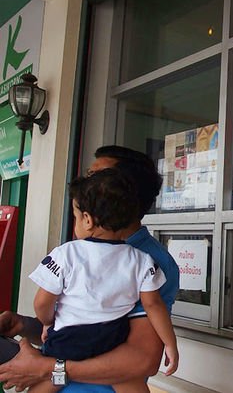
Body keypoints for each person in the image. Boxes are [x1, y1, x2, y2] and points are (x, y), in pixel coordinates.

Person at [0, 146, 180, 391]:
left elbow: (142, 360)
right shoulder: (80, 250)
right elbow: (77, 326)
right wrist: (24, 326)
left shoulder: (150, 261)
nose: (84, 183)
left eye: (95, 177)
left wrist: (46, 369)